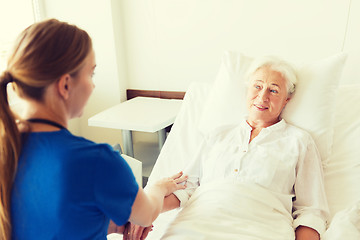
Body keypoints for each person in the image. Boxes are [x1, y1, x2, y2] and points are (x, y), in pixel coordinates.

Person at [0, 19, 187, 240]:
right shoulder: (96, 160)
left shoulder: (7, 149)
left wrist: (107, 225)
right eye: (91, 74)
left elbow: (45, 220)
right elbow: (146, 216)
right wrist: (158, 187)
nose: (93, 85)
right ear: (65, 85)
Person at [126, 56, 329, 240]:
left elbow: (311, 211)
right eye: (257, 86)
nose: (263, 96)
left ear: (287, 100)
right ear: (247, 90)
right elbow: (184, 187)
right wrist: (144, 213)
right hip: (195, 225)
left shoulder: (299, 141)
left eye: (273, 90)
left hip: (263, 229)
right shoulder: (218, 134)